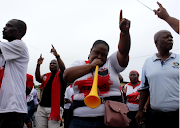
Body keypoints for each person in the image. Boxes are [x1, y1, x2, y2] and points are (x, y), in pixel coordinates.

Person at [63, 10, 131, 128]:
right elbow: (66, 76)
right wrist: (91, 66)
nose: (100, 57)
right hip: (79, 121)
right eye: (97, 53)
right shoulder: (79, 63)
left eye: (104, 55)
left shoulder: (111, 63)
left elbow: (124, 52)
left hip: (109, 120)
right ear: (90, 51)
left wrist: (124, 33)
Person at [135, 30, 179, 128]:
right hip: (156, 116)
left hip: (177, 116)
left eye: (171, 37)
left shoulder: (178, 59)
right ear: (156, 42)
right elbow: (144, 88)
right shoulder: (148, 62)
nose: (170, 39)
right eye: (166, 37)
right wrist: (140, 110)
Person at [0, 19, 29, 128]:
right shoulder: (4, 51)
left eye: (9, 26)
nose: (4, 28)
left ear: (19, 32)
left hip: (13, 107)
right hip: (4, 106)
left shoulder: (19, 45)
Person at [35, 45, 66, 128]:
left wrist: (57, 55)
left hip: (54, 109)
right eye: (50, 63)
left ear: (58, 65)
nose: (52, 64)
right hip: (42, 108)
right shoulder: (47, 76)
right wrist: (38, 65)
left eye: (54, 63)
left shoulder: (61, 76)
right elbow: (38, 78)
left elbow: (63, 68)